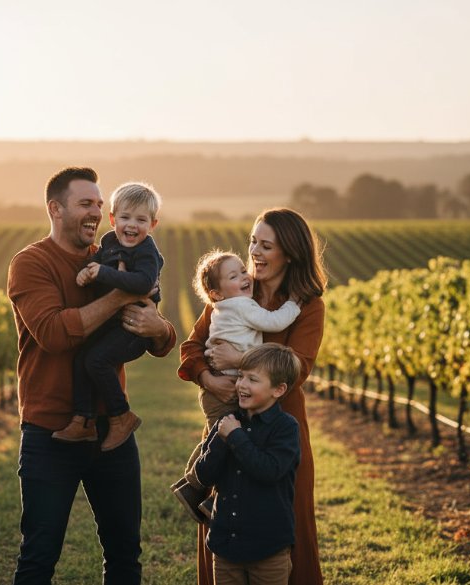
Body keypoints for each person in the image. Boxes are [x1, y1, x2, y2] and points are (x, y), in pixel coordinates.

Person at [7, 167, 176, 585]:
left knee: (124, 555)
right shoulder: (31, 263)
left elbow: (154, 325)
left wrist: (162, 330)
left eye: (99, 205)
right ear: (55, 209)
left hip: (112, 435)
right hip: (51, 433)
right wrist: (122, 292)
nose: (95, 213)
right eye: (86, 204)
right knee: (38, 557)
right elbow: (53, 333)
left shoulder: (111, 258)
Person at [178, 207, 327, 585]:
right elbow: (193, 347)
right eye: (252, 242)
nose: (255, 252)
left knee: (287, 520)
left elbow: (298, 366)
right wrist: (210, 380)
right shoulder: (236, 289)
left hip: (281, 428)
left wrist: (239, 359)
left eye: (266, 245)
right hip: (229, 422)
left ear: (289, 253)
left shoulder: (308, 305)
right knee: (221, 516)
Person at [172, 250, 301, 521]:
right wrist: (294, 304)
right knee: (226, 441)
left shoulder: (223, 305)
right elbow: (274, 321)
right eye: (235, 275)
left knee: (223, 439)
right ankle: (202, 492)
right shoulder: (242, 305)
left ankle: (201, 493)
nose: (245, 276)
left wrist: (237, 359)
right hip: (224, 388)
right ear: (216, 293)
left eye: (243, 270)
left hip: (225, 386)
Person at [52, 182, 164, 451]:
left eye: (141, 220)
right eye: (125, 218)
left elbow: (142, 283)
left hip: (133, 329)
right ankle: (83, 420)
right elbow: (96, 267)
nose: (132, 226)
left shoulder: (147, 251)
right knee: (82, 358)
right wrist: (87, 272)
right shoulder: (109, 243)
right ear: (113, 219)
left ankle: (121, 416)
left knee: (97, 360)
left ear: (153, 224)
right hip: (113, 324)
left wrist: (101, 274)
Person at [190, 343, 301, 585]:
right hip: (226, 546)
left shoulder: (285, 428)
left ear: (278, 389)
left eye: (253, 379)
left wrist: (235, 437)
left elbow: (269, 470)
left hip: (268, 549)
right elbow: (204, 475)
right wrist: (221, 439)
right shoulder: (227, 421)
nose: (242, 384)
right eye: (240, 376)